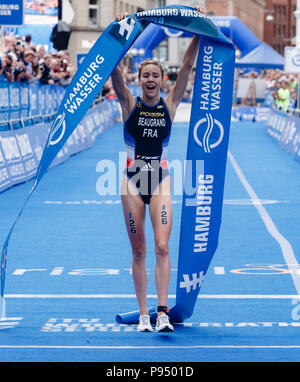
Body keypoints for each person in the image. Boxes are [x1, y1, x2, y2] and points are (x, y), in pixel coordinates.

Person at [111, 6, 206, 332]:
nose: (150, 79)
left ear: (162, 80)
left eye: (155, 75)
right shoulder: (128, 104)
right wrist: (118, 33)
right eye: (145, 76)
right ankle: (142, 316)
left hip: (160, 178)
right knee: (139, 251)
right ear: (139, 80)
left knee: (163, 247)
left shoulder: (171, 103)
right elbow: (113, 69)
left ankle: (162, 312)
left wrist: (198, 30)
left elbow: (188, 67)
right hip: (131, 182)